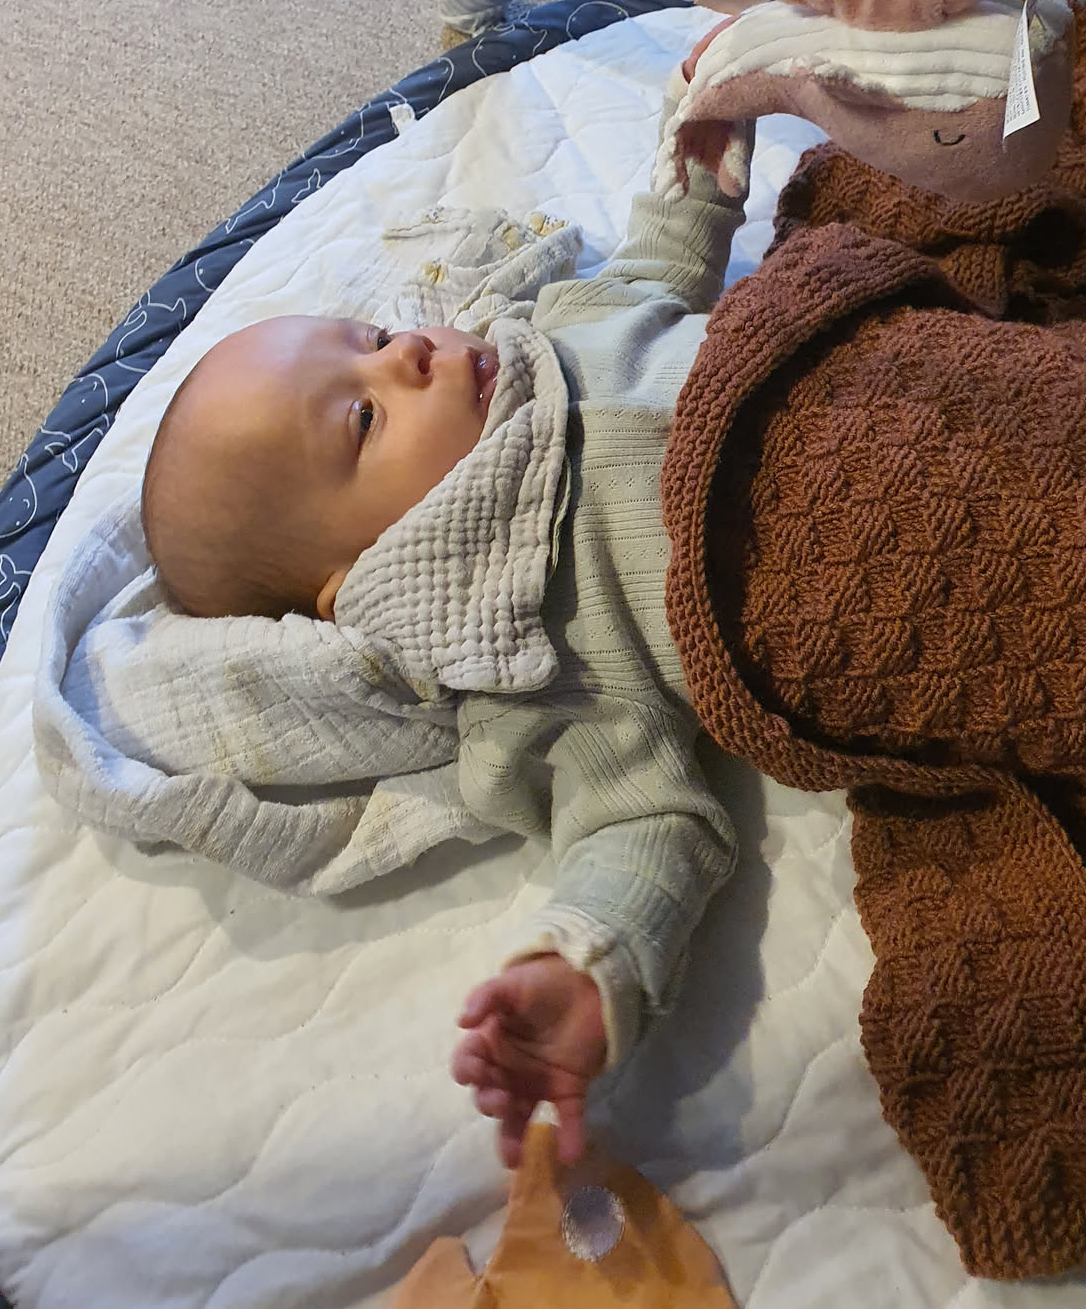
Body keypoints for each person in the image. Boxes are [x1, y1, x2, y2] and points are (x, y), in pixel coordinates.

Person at [36, 84, 750, 1172]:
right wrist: (588, 967)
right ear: (350, 577)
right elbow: (644, 821)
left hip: (882, 354)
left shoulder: (556, 332)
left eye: (370, 336)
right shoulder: (518, 655)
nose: (406, 351)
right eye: (364, 417)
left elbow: (660, 269)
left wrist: (700, 166)